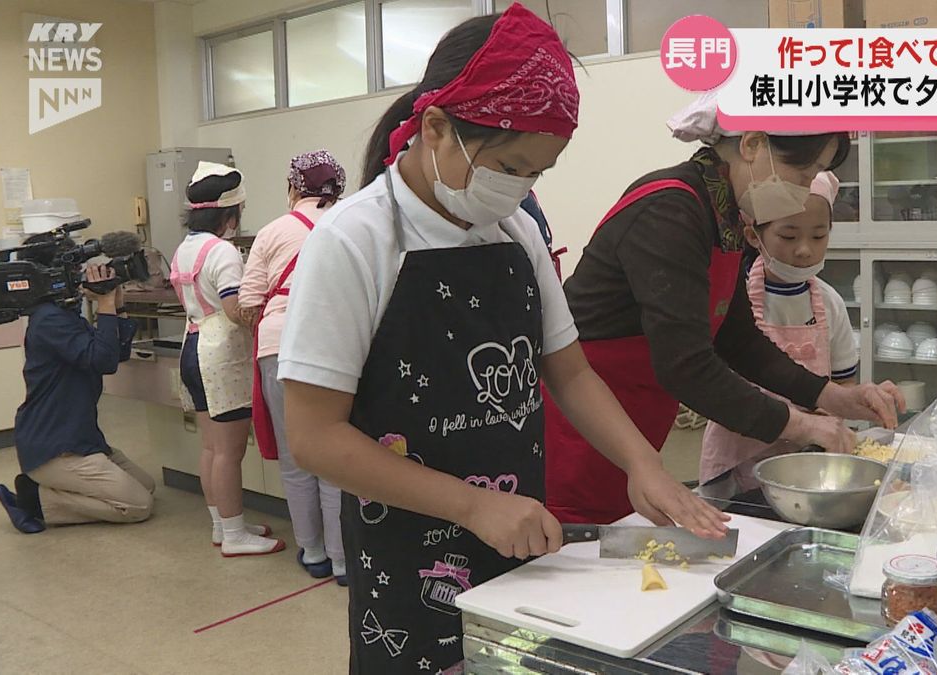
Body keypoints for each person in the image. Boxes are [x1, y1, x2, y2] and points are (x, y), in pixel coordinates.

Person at [277, 6, 727, 672]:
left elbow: (569, 373)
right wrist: (472, 504)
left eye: (537, 173)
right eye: (511, 164)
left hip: (520, 534)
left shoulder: (515, 233)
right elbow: (315, 435)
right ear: (436, 129)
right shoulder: (355, 242)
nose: (520, 188)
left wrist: (643, 464)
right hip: (408, 552)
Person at [546, 93, 904, 525]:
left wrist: (834, 397)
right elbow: (687, 366)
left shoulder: (726, 215)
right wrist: (802, 425)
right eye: (803, 171)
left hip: (638, 419)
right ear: (752, 145)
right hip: (586, 425)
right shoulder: (670, 210)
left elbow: (737, 339)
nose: (804, 188)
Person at [698, 171, 862, 497]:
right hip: (735, 466)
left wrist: (829, 413)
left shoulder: (829, 302)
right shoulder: (731, 297)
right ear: (752, 235)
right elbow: (710, 385)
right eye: (788, 236)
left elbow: (844, 383)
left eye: (818, 236)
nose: (804, 250)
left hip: (805, 465)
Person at [240, 150, 347, 582]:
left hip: (278, 349)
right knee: (340, 457)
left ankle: (314, 553)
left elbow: (248, 303)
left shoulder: (271, 232)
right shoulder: (351, 225)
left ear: (293, 188)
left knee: (295, 455)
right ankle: (344, 561)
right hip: (338, 350)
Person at [171, 162, 283, 557]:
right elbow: (236, 310)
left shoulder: (185, 247)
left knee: (210, 447)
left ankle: (223, 524)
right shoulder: (223, 252)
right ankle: (236, 535)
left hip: (192, 346)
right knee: (230, 451)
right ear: (229, 213)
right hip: (220, 357)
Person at [0, 265, 154, 533]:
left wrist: (117, 305)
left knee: (146, 486)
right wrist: (103, 302)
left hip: (82, 439)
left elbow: (116, 354)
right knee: (138, 506)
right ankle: (33, 500)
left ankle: (42, 493)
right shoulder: (49, 320)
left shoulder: (66, 316)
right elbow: (102, 360)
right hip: (56, 446)